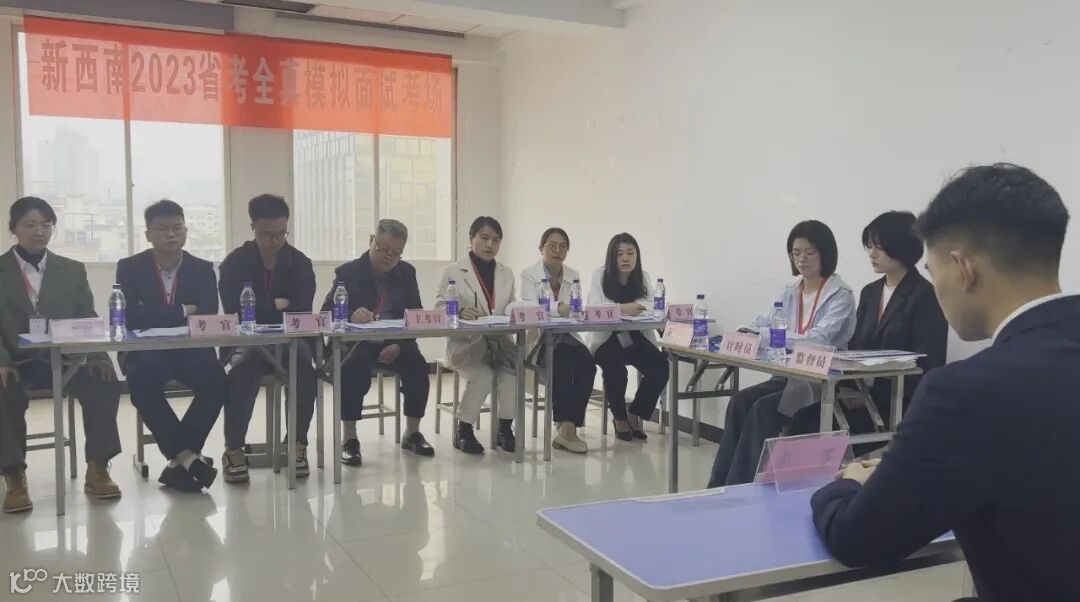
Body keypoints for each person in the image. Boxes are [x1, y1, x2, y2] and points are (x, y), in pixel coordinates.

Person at [811, 164, 1080, 602]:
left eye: (933, 273)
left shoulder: (966, 393)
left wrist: (849, 484)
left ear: (962, 269)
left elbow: (857, 538)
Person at [707, 221, 856, 487]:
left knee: (761, 410)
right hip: (788, 375)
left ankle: (740, 489)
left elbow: (819, 339)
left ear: (826, 253)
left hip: (819, 382)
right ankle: (717, 487)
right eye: (796, 252)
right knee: (740, 401)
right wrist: (747, 331)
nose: (801, 259)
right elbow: (765, 320)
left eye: (809, 252)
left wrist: (771, 336)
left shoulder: (840, 295)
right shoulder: (790, 291)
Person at [0, 197, 122, 513]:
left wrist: (98, 356)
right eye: (30, 224)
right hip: (16, 362)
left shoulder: (71, 270)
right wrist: (2, 361)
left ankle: (98, 468)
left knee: (103, 382)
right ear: (13, 228)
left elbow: (87, 316)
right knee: (2, 391)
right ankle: (14, 477)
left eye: (46, 225)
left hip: (67, 360)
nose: (39, 231)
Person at [789, 211, 948, 441]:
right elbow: (855, 347)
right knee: (801, 420)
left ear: (901, 247)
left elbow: (929, 364)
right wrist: (850, 389)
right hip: (860, 396)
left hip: (898, 403)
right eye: (869, 247)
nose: (871, 254)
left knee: (816, 428)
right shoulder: (870, 293)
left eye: (878, 247)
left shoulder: (924, 296)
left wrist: (871, 396)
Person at [116, 200, 226, 492]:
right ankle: (189, 458)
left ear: (186, 230)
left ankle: (180, 461)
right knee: (142, 381)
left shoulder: (203, 269)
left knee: (217, 381)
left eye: (177, 227)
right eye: (162, 228)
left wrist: (154, 312)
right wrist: (182, 310)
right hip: (145, 349)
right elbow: (130, 316)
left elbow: (206, 314)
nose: (171, 234)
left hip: (190, 349)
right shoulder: (129, 268)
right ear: (148, 234)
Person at [218, 194, 317, 483]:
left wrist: (262, 307)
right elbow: (235, 310)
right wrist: (276, 304)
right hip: (248, 342)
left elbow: (301, 308)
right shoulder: (234, 263)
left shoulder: (299, 263)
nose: (274, 241)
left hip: (289, 342)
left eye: (281, 234)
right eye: (266, 235)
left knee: (304, 369)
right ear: (253, 228)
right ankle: (234, 449)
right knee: (242, 371)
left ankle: (296, 445)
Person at [323, 219, 433, 466]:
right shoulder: (348, 273)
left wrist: (399, 344)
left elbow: (415, 314)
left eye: (395, 253)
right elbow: (326, 311)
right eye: (382, 249)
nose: (388, 257)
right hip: (358, 343)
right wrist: (349, 313)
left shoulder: (406, 272)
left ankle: (412, 433)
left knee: (418, 367)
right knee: (352, 370)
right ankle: (350, 439)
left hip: (395, 342)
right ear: (371, 240)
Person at [435, 216, 518, 455]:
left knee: (511, 375)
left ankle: (505, 428)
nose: (490, 244)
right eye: (484, 238)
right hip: (467, 346)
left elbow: (510, 304)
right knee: (483, 375)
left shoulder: (506, 273)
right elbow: (439, 307)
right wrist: (459, 311)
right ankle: (464, 430)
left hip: (500, 344)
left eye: (496, 240)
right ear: (471, 238)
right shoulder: (453, 271)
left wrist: (516, 310)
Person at [518, 227, 594, 453]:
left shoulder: (573, 275)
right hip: (540, 340)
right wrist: (559, 308)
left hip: (568, 336)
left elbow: (576, 309)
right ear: (541, 248)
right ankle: (565, 428)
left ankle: (568, 427)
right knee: (562, 359)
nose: (557, 250)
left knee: (587, 363)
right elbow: (530, 307)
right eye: (552, 245)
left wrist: (569, 311)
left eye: (563, 246)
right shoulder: (528, 274)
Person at [588, 233, 668, 442]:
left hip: (635, 338)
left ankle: (635, 412)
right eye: (620, 254)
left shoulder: (643, 277)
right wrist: (623, 309)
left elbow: (653, 305)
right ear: (611, 257)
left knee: (660, 365)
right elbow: (594, 307)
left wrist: (636, 307)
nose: (625, 258)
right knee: (615, 369)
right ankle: (620, 418)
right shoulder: (600, 276)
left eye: (630, 253)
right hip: (606, 340)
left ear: (637, 256)